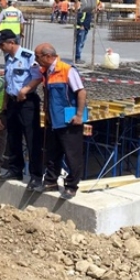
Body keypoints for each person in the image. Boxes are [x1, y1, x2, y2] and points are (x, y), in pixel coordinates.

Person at [35, 43, 86, 200]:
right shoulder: (46, 72)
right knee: (52, 152)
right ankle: (50, 181)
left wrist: (79, 115)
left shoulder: (67, 70)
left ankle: (71, 186)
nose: (36, 60)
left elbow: (81, 92)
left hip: (69, 119)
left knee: (72, 154)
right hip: (54, 120)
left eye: (38, 57)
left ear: (48, 56)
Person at [0, 30, 43, 189]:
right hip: (13, 102)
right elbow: (8, 82)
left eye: (2, 44)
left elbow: (38, 77)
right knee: (13, 137)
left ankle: (36, 176)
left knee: (31, 139)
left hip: (27, 102)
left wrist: (25, 90)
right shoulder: (8, 59)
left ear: (11, 43)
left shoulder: (28, 57)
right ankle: (15, 169)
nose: (0, 48)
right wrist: (5, 102)